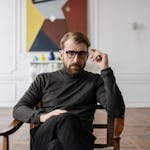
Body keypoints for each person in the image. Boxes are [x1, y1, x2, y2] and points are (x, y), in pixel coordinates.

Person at [13, 32, 125, 150]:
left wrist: (105, 69)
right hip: (45, 136)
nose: (76, 59)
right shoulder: (44, 79)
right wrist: (43, 117)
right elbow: (19, 109)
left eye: (81, 54)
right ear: (61, 54)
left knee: (56, 145)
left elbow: (116, 110)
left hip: (80, 138)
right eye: (71, 53)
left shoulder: (94, 81)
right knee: (66, 118)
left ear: (87, 56)